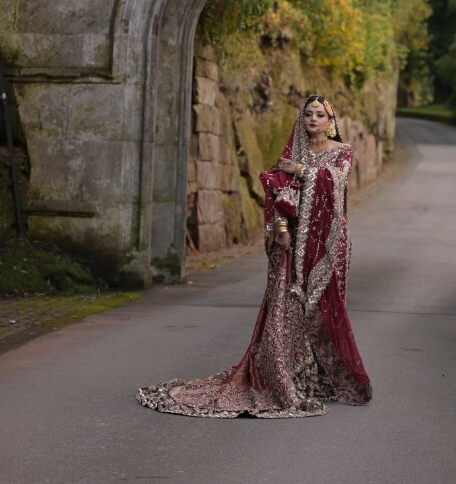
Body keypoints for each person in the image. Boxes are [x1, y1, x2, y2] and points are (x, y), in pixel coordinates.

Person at [136, 94, 371, 418]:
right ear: (301, 120)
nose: (313, 120)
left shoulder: (341, 152)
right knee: (285, 306)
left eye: (320, 115)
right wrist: (280, 227)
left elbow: (338, 181)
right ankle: (284, 376)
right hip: (290, 246)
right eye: (308, 115)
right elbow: (276, 192)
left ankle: (319, 379)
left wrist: (302, 171)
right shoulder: (291, 153)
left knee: (322, 307)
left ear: (331, 121)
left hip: (326, 244)